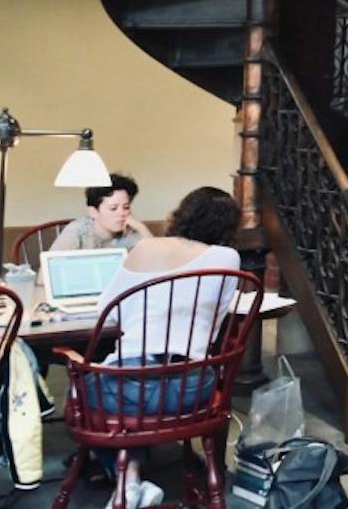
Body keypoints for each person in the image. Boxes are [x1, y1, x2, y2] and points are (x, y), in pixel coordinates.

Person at [85, 187, 243, 509]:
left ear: (183, 213)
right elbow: (213, 328)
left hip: (131, 384)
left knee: (84, 393)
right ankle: (132, 484)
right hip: (192, 387)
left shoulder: (146, 248)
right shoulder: (229, 259)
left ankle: (128, 480)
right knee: (128, 400)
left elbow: (108, 311)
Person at [48, 174, 153, 252]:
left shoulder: (130, 229)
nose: (122, 213)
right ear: (93, 212)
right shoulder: (77, 232)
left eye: (126, 207)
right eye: (113, 208)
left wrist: (140, 227)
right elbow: (43, 277)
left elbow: (158, 259)